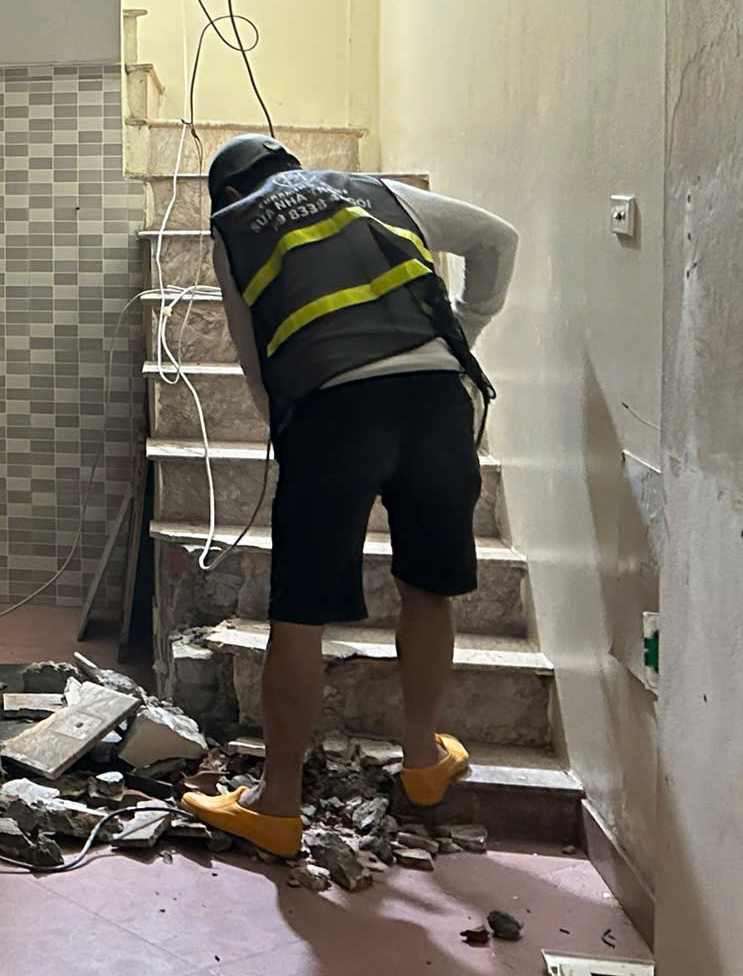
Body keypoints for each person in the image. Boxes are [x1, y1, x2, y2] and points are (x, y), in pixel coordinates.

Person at [177, 133, 516, 858]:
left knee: (300, 613)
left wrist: (291, 435)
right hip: (436, 403)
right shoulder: (373, 191)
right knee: (428, 587)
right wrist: (463, 335)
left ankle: (278, 803)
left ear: (227, 194)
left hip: (333, 413)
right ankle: (423, 760)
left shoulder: (237, 225)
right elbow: (497, 238)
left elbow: (255, 356)